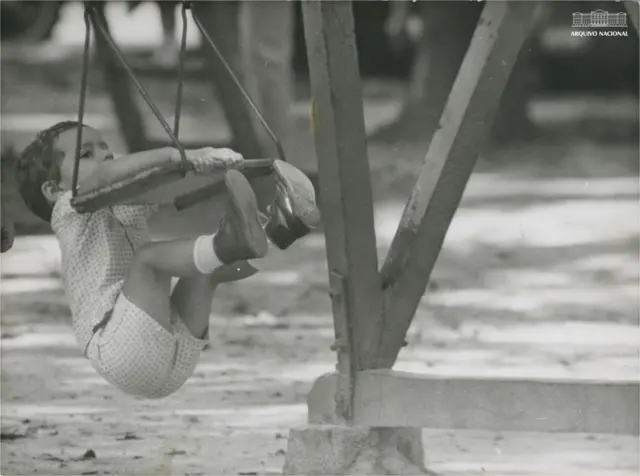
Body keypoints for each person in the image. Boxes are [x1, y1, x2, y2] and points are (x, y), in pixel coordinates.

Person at [14, 121, 319, 399]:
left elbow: (163, 187)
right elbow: (108, 176)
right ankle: (229, 242)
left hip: (170, 353)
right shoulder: (68, 211)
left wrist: (216, 167)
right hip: (116, 347)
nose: (105, 156)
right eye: (86, 154)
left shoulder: (121, 206)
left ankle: (279, 233)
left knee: (205, 271)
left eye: (105, 146)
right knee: (150, 259)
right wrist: (177, 155)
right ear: (54, 191)